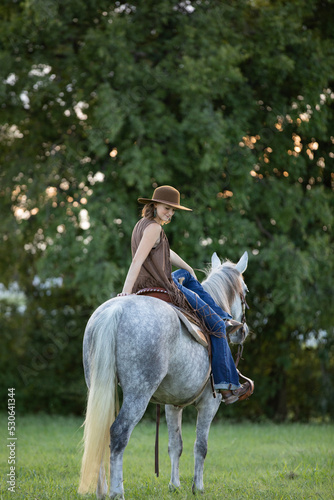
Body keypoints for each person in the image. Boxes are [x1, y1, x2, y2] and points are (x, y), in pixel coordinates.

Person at [118, 185, 254, 404]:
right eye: (166, 208)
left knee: (188, 276)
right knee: (217, 328)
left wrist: (188, 267)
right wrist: (125, 292)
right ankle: (226, 385)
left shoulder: (144, 226)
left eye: (173, 210)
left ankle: (223, 315)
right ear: (154, 205)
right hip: (162, 285)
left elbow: (165, 251)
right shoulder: (153, 228)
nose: (170, 213)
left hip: (164, 279)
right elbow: (137, 260)